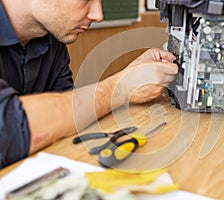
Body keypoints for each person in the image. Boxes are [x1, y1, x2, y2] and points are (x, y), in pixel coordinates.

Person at [0, 0, 178, 169]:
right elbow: (8, 128)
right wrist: (121, 88)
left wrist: (133, 76)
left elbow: (73, 114)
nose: (98, 15)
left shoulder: (50, 38)